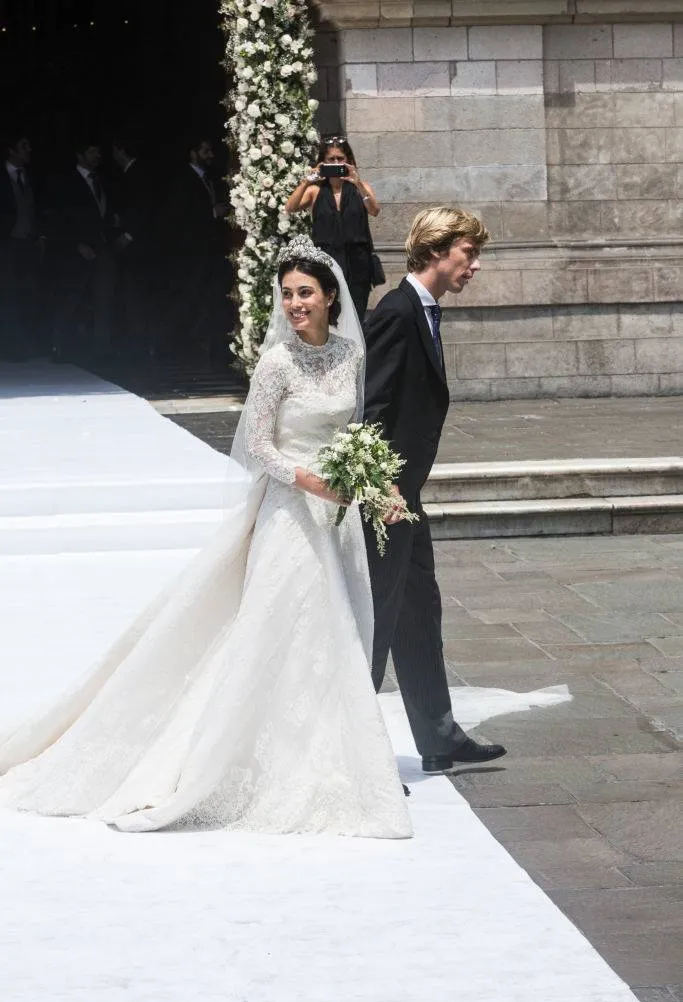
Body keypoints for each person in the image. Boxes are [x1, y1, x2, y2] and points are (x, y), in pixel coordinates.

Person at [0, 236, 412, 840]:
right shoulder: (275, 363)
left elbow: (355, 433)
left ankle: (332, 757)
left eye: (305, 293)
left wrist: (375, 484)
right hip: (290, 511)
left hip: (337, 514)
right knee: (280, 626)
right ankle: (226, 760)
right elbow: (256, 445)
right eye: (287, 295)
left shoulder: (352, 353)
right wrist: (307, 480)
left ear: (330, 296)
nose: (295, 304)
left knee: (336, 629)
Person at [363, 207, 507, 774]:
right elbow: (370, 407)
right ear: (435, 250)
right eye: (467, 254)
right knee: (378, 618)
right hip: (388, 500)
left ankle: (439, 735)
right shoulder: (397, 313)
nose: (474, 265)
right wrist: (381, 489)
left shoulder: (425, 312)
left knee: (419, 612)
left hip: (407, 497)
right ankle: (356, 753)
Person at [285, 136, 378, 322]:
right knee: (329, 315)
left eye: (340, 159)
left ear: (348, 160)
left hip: (357, 264)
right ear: (323, 162)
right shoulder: (316, 191)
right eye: (331, 160)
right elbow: (290, 207)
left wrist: (357, 182)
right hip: (326, 262)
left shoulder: (361, 188)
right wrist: (307, 180)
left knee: (356, 315)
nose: (336, 163)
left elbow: (374, 210)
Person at [163, 137, 231, 366]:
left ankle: (208, 347)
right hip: (190, 254)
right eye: (205, 151)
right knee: (188, 299)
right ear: (193, 153)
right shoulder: (182, 181)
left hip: (210, 251)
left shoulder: (209, 179)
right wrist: (212, 213)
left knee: (209, 299)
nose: (210, 155)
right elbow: (178, 216)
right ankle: (178, 346)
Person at [49, 137, 117, 364]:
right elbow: (60, 218)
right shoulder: (66, 183)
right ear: (80, 155)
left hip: (102, 247)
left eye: (98, 152)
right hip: (76, 251)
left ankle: (102, 349)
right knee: (70, 298)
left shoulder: (102, 181)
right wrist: (76, 244)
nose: (97, 156)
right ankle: (59, 346)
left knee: (103, 299)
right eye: (91, 152)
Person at [111, 137, 159, 362]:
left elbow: (144, 209)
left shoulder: (138, 174)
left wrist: (128, 235)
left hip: (138, 247)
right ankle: (138, 344)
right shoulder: (133, 173)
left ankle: (139, 347)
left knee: (136, 297)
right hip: (138, 247)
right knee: (136, 298)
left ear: (120, 150)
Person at [0, 132, 45, 361]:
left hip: (27, 243)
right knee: (8, 295)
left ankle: (24, 344)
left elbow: (36, 207)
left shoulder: (30, 176)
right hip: (6, 244)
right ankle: (9, 347)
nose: (28, 150)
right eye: (23, 146)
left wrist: (39, 235)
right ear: (11, 150)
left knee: (27, 293)